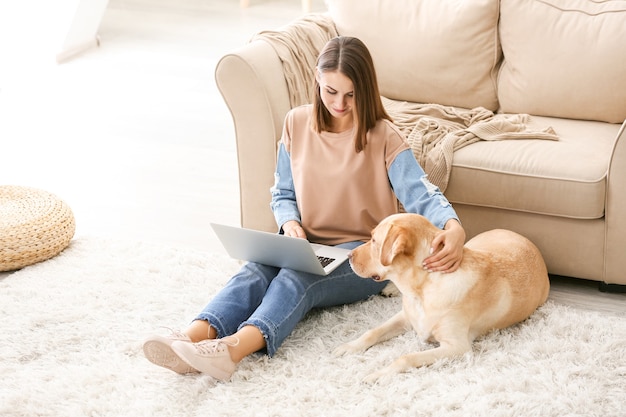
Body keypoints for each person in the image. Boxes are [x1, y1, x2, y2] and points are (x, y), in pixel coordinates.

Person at [142, 36, 465, 382]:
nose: (339, 103)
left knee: (297, 278)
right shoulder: (296, 123)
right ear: (316, 79)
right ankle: (190, 339)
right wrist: (290, 223)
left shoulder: (383, 135)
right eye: (330, 91)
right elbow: (281, 192)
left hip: (360, 256)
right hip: (305, 244)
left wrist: (453, 227)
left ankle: (231, 350)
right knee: (255, 269)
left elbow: (421, 193)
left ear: (365, 89)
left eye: (351, 94)